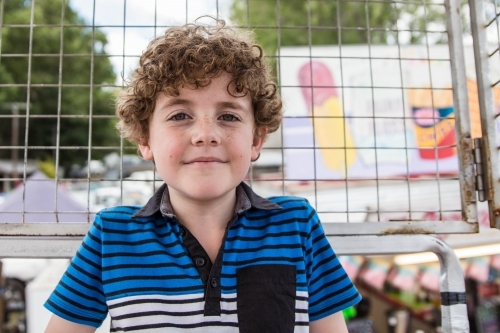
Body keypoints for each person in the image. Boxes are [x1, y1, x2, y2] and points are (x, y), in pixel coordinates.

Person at [43, 18, 361, 333]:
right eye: (180, 115)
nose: (205, 135)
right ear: (144, 138)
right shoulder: (111, 235)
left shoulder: (297, 225)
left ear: (256, 139)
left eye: (228, 116)